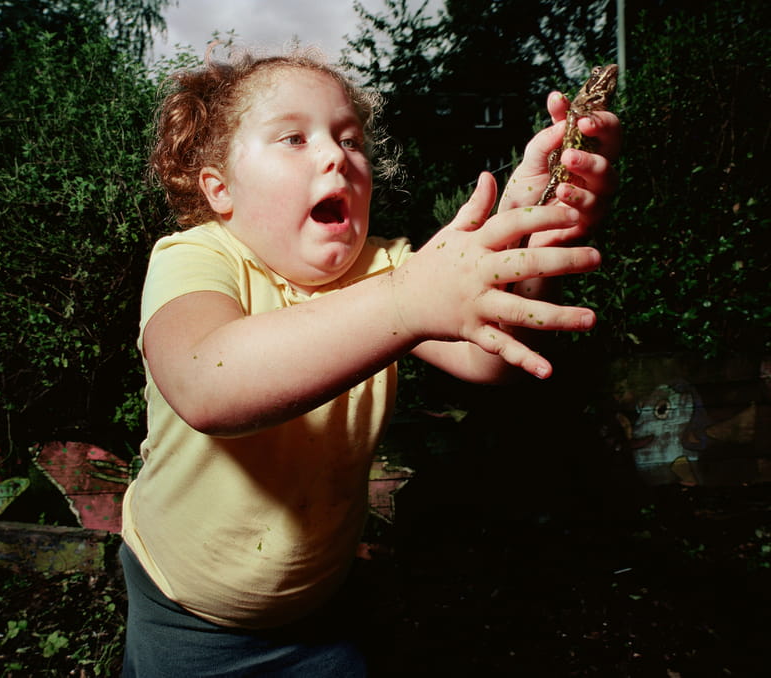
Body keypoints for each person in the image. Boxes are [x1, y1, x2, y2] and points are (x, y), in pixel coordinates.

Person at [120, 47, 621, 677]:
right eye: (294, 138)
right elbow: (204, 383)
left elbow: (486, 358)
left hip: (322, 601)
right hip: (188, 614)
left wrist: (530, 222)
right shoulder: (197, 257)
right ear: (220, 189)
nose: (336, 156)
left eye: (350, 140)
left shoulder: (386, 267)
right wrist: (408, 300)